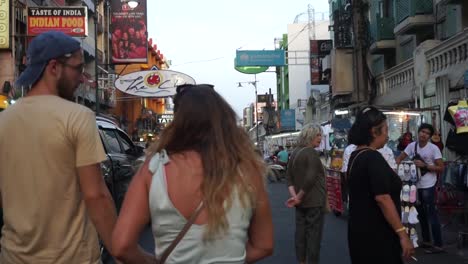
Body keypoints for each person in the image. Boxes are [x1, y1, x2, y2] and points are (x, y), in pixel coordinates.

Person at [112, 84, 274, 263]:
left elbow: (122, 246)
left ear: (178, 122)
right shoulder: (247, 170)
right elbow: (264, 245)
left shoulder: (153, 169)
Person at [0, 31, 118, 263]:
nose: (82, 77)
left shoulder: (4, 120)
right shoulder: (78, 117)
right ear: (54, 67)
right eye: (77, 68)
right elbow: (96, 196)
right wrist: (123, 251)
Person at [347, 106, 414, 263]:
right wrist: (402, 233)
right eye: (385, 129)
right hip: (377, 233)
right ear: (374, 131)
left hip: (359, 231)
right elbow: (383, 198)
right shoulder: (372, 158)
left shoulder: (355, 155)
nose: (387, 134)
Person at [396, 123, 445, 253]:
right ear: (418, 132)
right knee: (421, 214)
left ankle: (438, 244)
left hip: (428, 184)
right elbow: (400, 158)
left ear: (430, 136)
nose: (424, 134)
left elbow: (441, 167)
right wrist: (396, 169)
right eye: (422, 131)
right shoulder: (412, 146)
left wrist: (425, 165)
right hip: (415, 185)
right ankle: (427, 241)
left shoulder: (433, 148)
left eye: (427, 133)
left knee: (432, 214)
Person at [285, 123, 326, 264]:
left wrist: (295, 197)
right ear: (310, 136)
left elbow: (288, 177)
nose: (320, 138)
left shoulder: (295, 152)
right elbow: (311, 178)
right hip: (314, 201)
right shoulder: (311, 153)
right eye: (318, 135)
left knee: (300, 235)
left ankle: (301, 261)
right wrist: (300, 196)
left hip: (300, 203)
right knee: (313, 237)